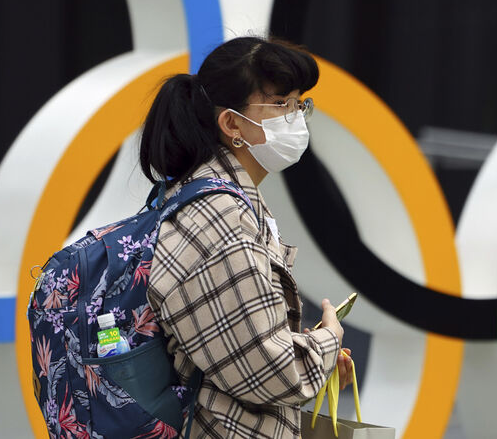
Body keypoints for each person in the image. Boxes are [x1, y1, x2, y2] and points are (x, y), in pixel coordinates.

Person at [139, 35, 353, 438]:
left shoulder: (207, 194)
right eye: (280, 104)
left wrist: (304, 350)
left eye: (299, 103)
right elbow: (272, 373)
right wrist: (327, 341)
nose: (296, 117)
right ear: (232, 123)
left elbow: (238, 347)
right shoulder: (223, 218)